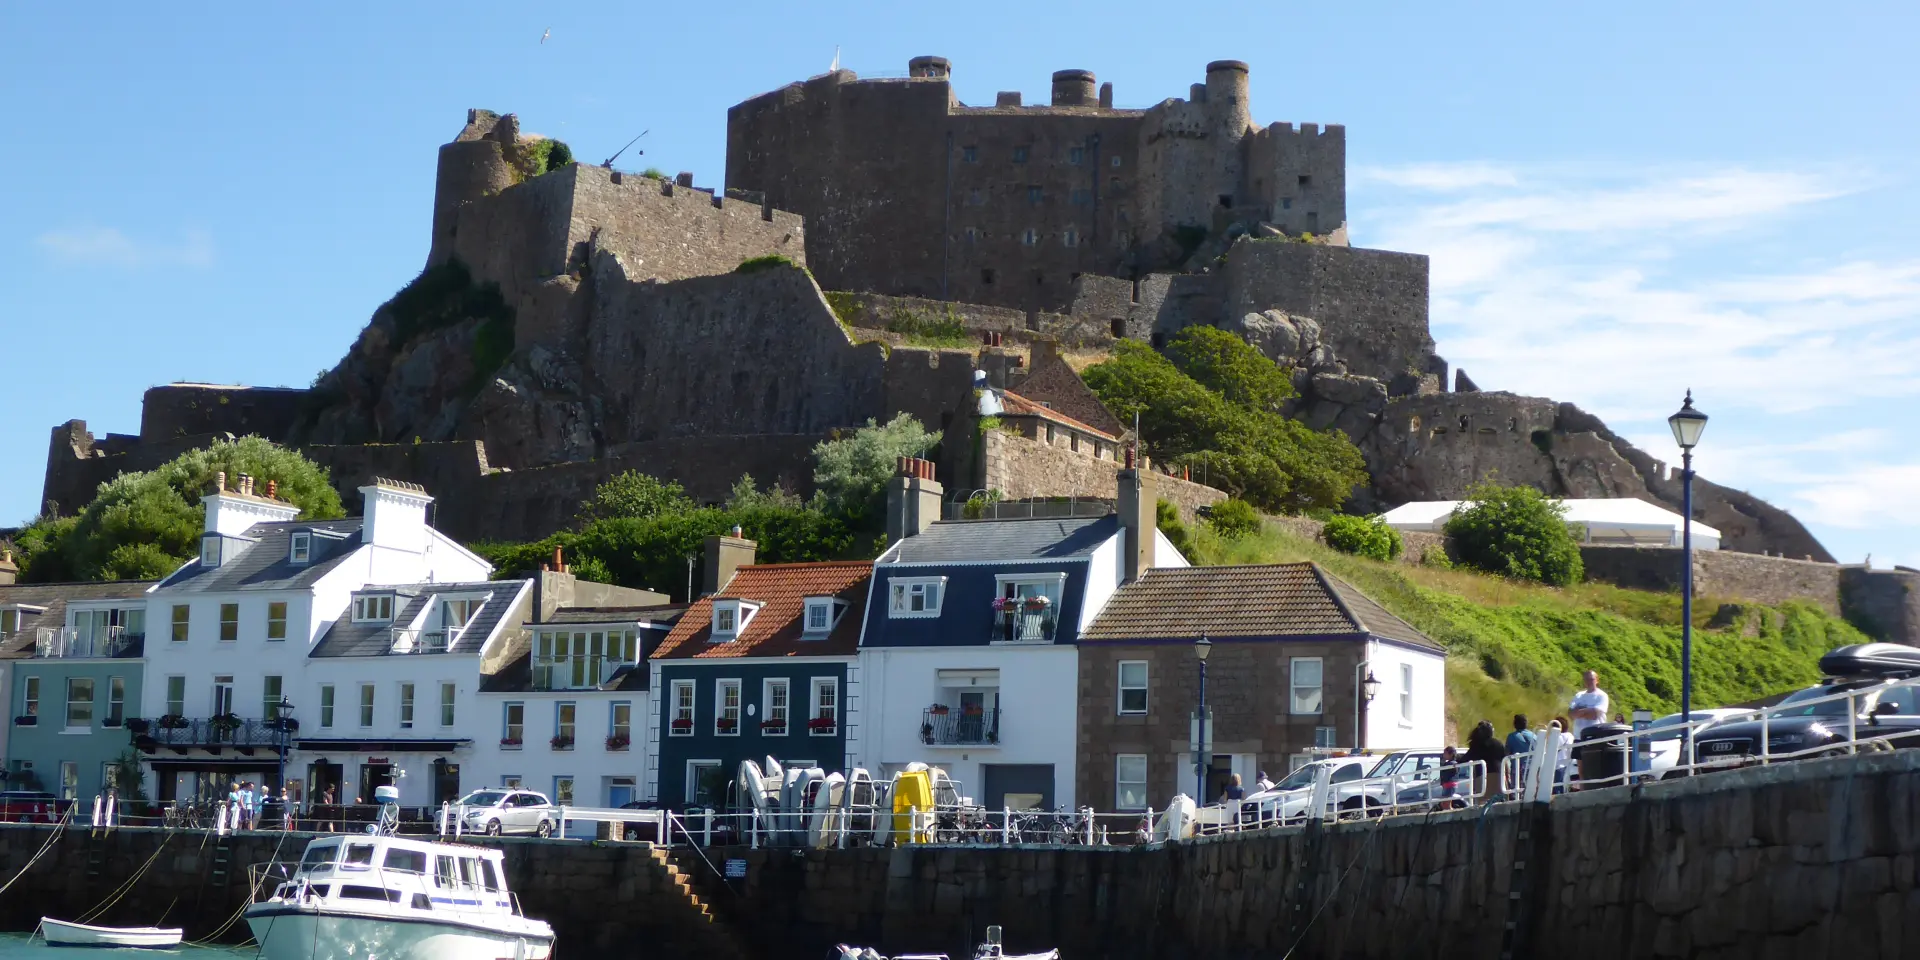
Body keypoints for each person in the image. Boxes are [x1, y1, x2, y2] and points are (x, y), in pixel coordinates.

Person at [1465, 720, 1509, 802]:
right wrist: (1507, 776)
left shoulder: (1477, 744)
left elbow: (1466, 758)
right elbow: (1504, 760)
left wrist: (1455, 759)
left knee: (1483, 802)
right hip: (1498, 775)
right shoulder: (1498, 743)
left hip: (1482, 776)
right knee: (1500, 801)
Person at [1569, 670, 1611, 738]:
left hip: (1594, 737)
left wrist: (1578, 712)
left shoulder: (1602, 695)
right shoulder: (1578, 695)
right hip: (1577, 737)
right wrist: (1587, 711)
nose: (1589, 682)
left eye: (1591, 679)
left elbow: (1594, 715)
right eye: (1586, 679)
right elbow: (1570, 714)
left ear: (1597, 680)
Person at [1506, 714, 1539, 791]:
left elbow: (1506, 753)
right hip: (1533, 767)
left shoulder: (1511, 737)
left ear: (1515, 724)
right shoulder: (1534, 735)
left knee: (1517, 792)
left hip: (1518, 769)